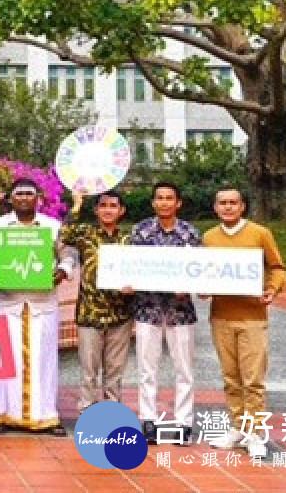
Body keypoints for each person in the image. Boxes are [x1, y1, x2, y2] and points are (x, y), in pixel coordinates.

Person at [0, 178, 75, 435]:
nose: (23, 198)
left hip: (41, 304)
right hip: (6, 303)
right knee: (4, 359)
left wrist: (62, 271)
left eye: (28, 194)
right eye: (18, 194)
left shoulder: (52, 227)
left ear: (38, 198)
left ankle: (46, 416)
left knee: (44, 361)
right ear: (11, 199)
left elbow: (68, 255)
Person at [202, 188, 286, 459]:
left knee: (252, 379)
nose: (228, 207)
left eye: (233, 203)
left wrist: (272, 289)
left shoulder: (260, 234)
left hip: (252, 317)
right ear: (215, 207)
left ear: (242, 207)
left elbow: (278, 268)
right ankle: (238, 427)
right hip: (221, 316)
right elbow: (203, 272)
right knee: (230, 377)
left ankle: (255, 432)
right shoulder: (209, 238)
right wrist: (201, 288)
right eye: (223, 203)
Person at [129, 182, 201, 444]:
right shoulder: (140, 231)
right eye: (159, 198)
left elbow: (198, 269)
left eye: (169, 198)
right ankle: (148, 421)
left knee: (184, 369)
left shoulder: (190, 234)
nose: (164, 202)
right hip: (148, 309)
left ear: (178, 203)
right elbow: (133, 267)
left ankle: (183, 423)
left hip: (180, 312)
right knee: (147, 369)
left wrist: (190, 286)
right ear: (153, 203)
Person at [60, 190, 134, 413]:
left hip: (120, 314)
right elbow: (63, 235)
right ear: (96, 210)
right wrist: (76, 206)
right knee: (88, 371)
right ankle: (87, 413)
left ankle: (112, 413)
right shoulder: (85, 234)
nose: (108, 210)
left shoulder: (129, 240)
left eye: (113, 206)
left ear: (121, 211)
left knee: (115, 372)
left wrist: (134, 286)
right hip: (90, 313)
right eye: (103, 205)